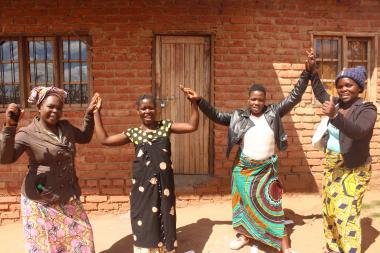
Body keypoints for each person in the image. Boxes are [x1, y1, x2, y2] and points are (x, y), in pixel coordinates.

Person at [183, 55, 313, 253]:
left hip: (266, 170)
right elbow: (217, 115)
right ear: (248, 99)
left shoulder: (274, 112)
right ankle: (245, 236)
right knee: (243, 204)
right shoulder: (238, 116)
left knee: (273, 206)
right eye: (253, 99)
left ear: (265, 101)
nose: (257, 103)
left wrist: (307, 73)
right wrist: (200, 100)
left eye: (260, 100)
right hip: (244, 169)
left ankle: (285, 248)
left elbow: (294, 97)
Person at [92, 87, 199, 253]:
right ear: (137, 111)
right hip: (143, 187)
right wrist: (96, 113)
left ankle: (166, 249)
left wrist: (194, 103)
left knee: (165, 214)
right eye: (143, 108)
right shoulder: (134, 133)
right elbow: (105, 139)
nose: (147, 111)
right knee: (144, 217)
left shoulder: (165, 126)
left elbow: (192, 126)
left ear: (157, 109)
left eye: (151, 107)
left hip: (165, 185)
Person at [0, 86, 99, 253]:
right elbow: (5, 158)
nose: (55, 111)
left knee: (83, 235)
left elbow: (84, 136)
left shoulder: (66, 127)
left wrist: (89, 114)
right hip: (39, 199)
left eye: (59, 108)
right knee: (46, 245)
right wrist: (10, 127)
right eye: (50, 106)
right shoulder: (27, 133)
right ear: (39, 107)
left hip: (67, 193)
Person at [307, 49, 377, 253]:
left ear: (359, 87)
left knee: (345, 212)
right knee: (329, 207)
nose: (343, 89)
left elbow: (359, 131)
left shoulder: (367, 109)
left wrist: (335, 116)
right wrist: (313, 71)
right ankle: (333, 246)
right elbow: (320, 92)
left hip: (354, 167)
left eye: (348, 85)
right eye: (339, 86)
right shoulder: (336, 103)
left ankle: (350, 250)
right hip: (332, 163)